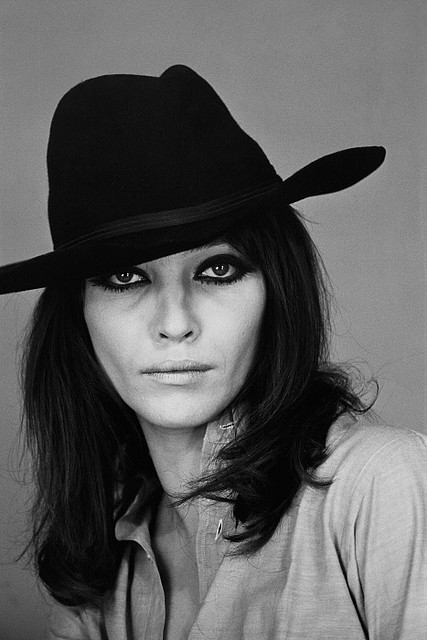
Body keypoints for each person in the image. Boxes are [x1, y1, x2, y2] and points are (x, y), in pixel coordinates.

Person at [1, 65, 425, 640]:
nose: (176, 324)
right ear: (78, 316)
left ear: (278, 289)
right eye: (125, 277)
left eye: (218, 270)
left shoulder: (383, 486)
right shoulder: (100, 565)